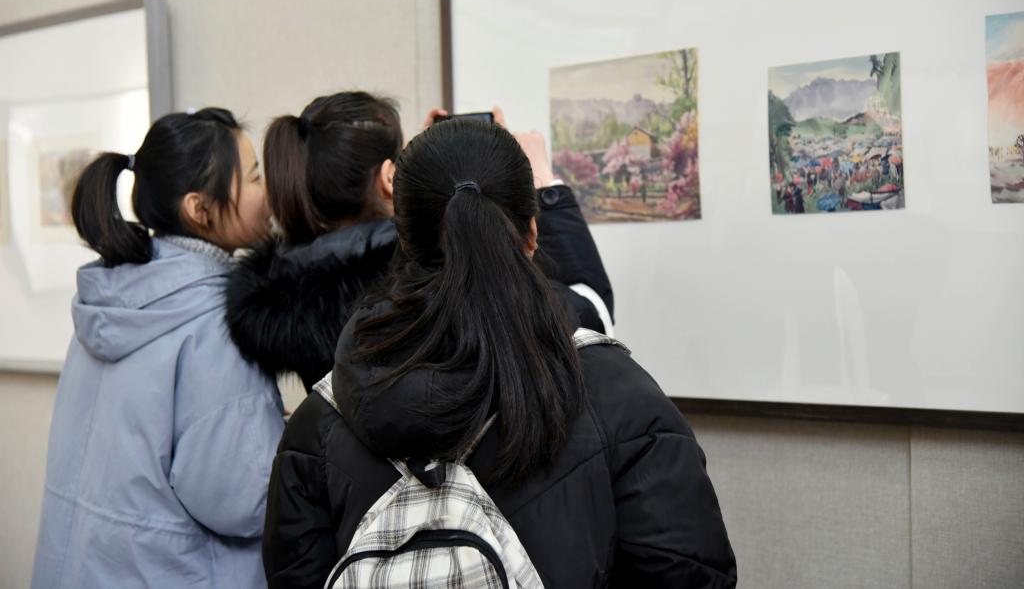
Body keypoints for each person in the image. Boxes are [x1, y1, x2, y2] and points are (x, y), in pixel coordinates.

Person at [261, 119, 737, 588]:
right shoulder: (619, 397)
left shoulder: (318, 424)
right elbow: (689, 572)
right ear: (533, 232)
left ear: (404, 239)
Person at [32, 109, 285, 589]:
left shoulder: (109, 299)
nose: (267, 192)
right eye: (254, 177)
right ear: (199, 209)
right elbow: (242, 500)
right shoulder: (217, 320)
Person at [225, 92, 613, 393]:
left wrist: (426, 173)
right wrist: (544, 183)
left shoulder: (284, 304)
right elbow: (589, 309)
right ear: (388, 178)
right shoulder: (433, 281)